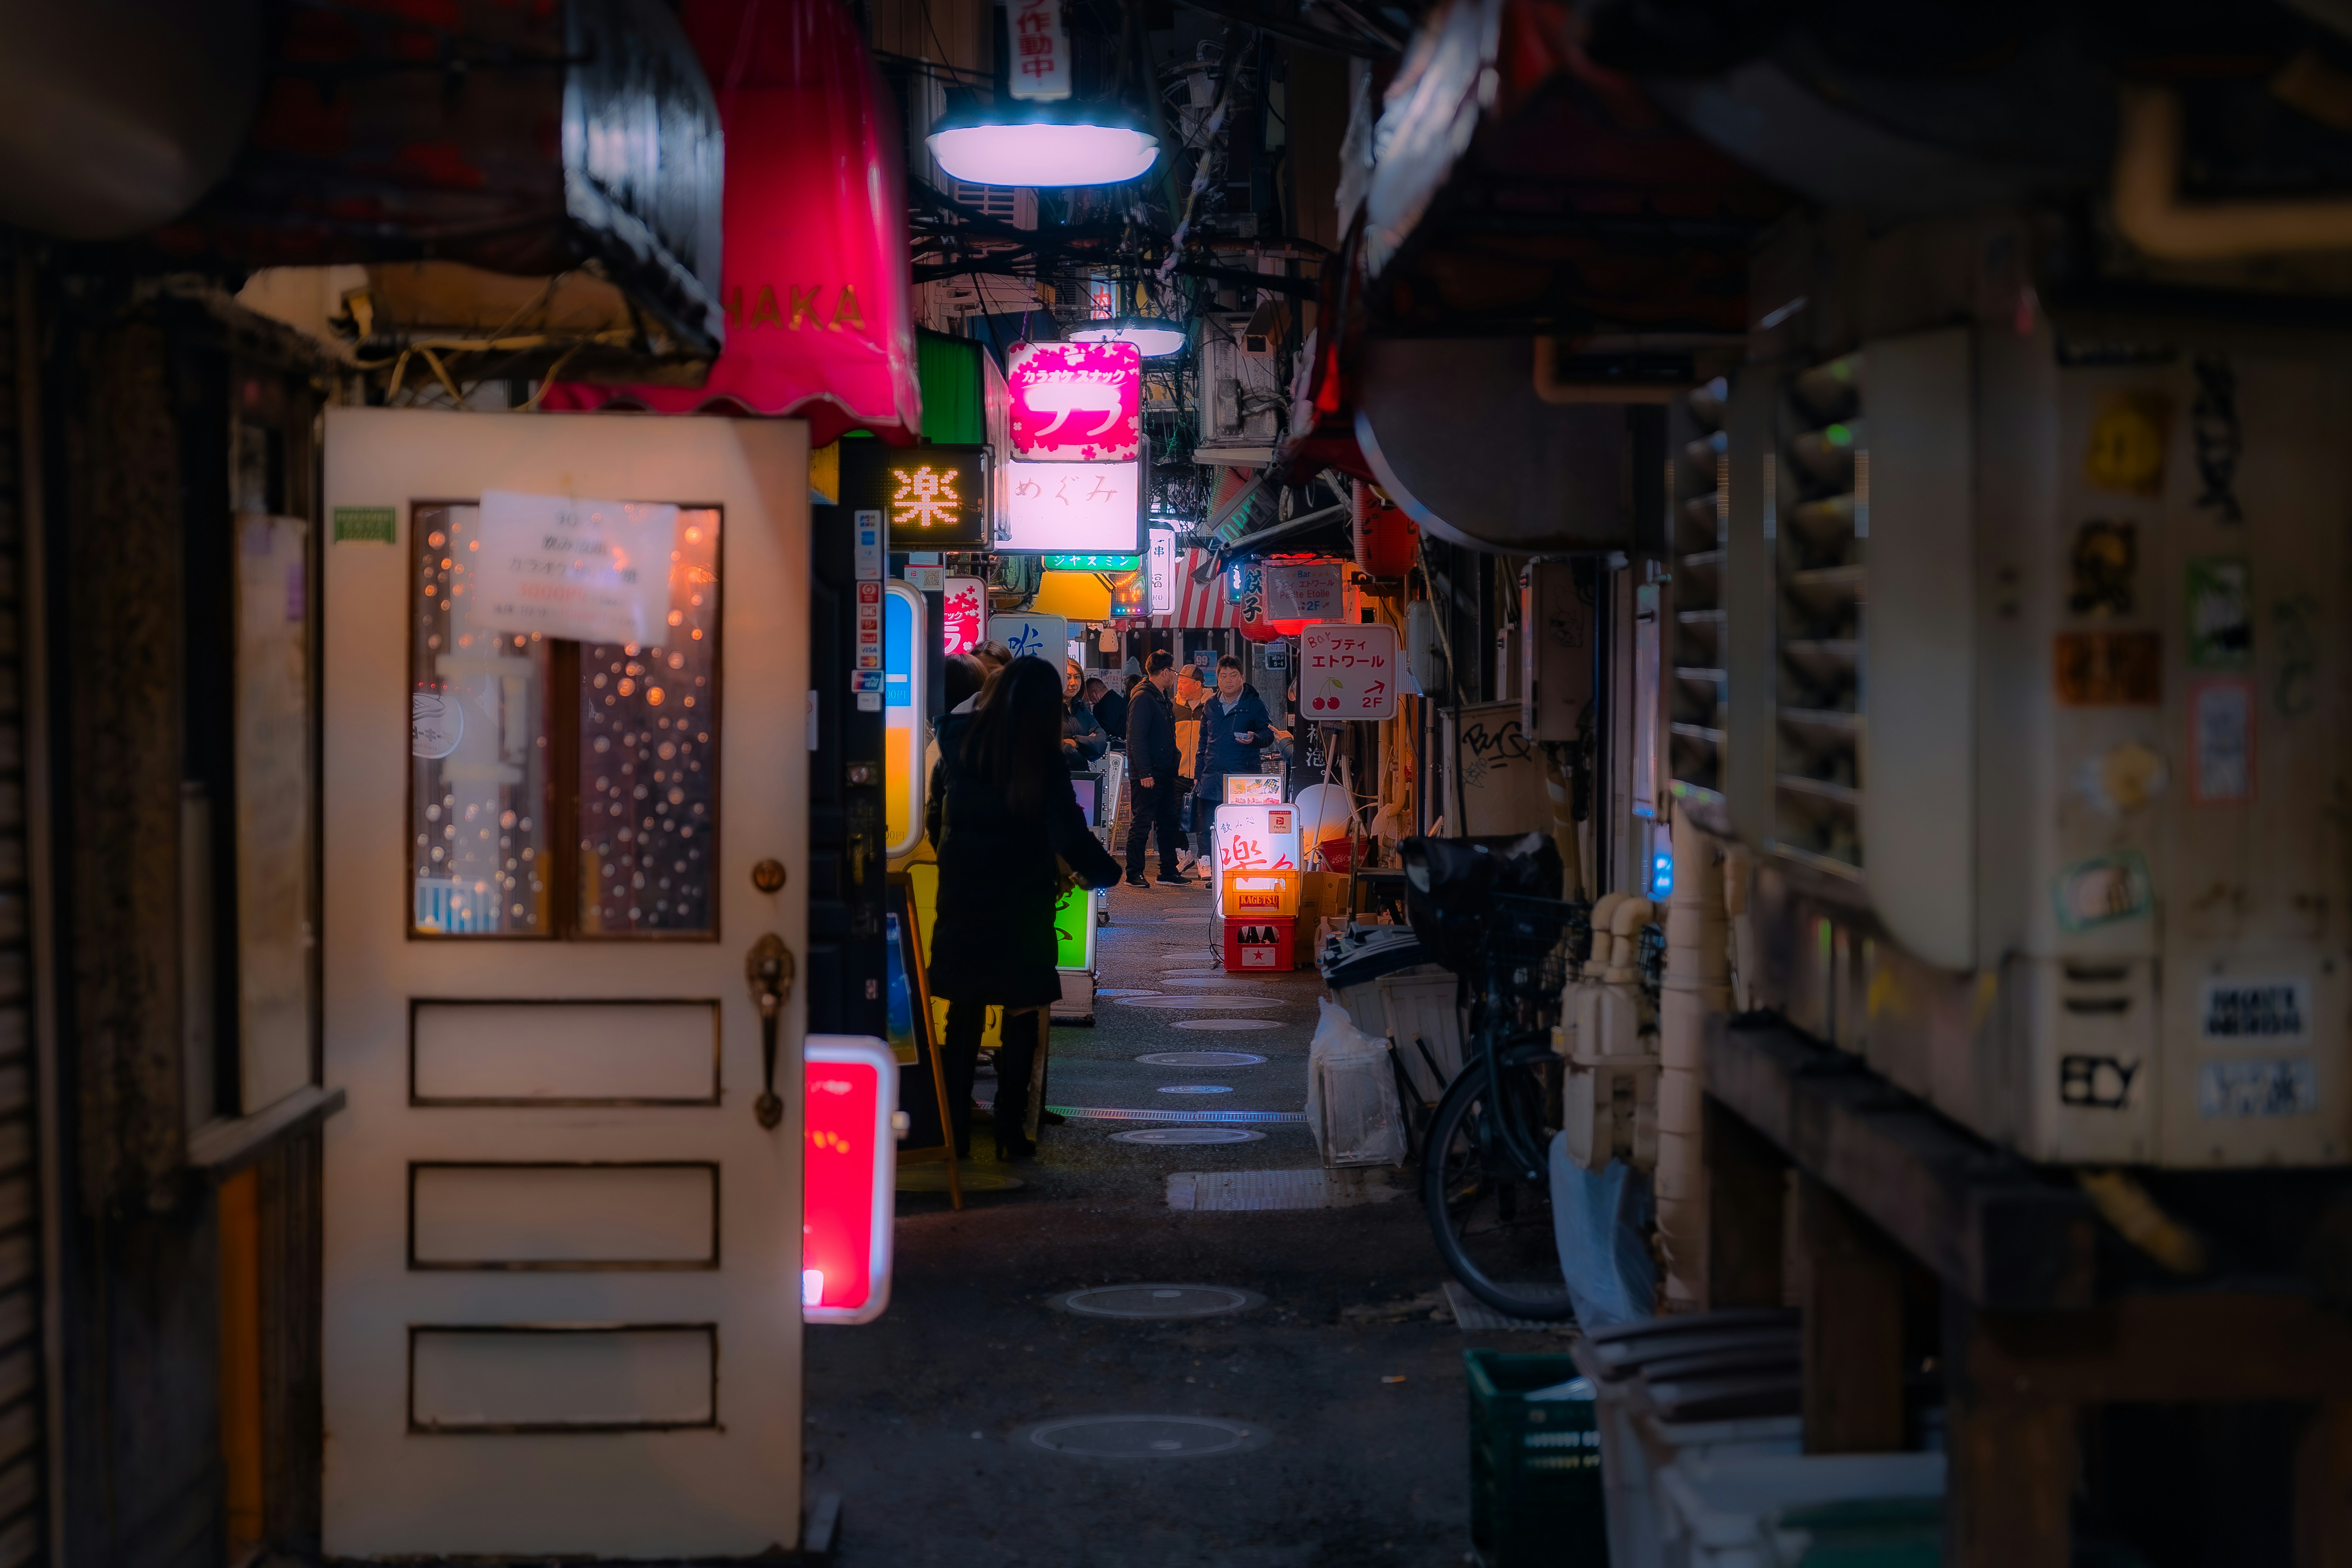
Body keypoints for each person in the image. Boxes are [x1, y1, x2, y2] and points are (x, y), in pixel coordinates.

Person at [927, 657, 1123, 1159]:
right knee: (1021, 1014)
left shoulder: (956, 739)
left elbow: (935, 816)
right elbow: (1068, 832)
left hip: (963, 898)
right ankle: (1010, 1131)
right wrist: (1106, 874)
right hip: (1021, 900)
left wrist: (956, 862)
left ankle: (954, 1133)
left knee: (963, 1016)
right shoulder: (1040, 755)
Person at [1193, 654, 1278, 863]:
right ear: (1218, 679)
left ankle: (1238, 866)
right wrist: (1198, 775)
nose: (1228, 680)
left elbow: (1269, 734)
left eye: (1233, 676)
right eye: (1224, 676)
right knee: (1209, 825)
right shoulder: (1211, 705)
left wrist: (1254, 739)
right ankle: (1211, 867)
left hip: (1244, 778)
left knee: (1241, 826)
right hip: (1212, 775)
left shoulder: (1255, 704)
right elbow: (1203, 742)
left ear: (1242, 678)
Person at [1123, 650, 1190, 887]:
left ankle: (1168, 871)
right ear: (1165, 673)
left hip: (1164, 772)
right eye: (1173, 672)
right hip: (1149, 774)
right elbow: (1136, 739)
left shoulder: (1159, 697)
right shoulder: (1143, 697)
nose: (1174, 676)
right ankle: (1134, 873)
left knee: (1168, 822)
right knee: (1143, 822)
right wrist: (1144, 773)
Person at [1171, 662, 1207, 868]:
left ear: (1198, 685)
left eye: (1184, 683)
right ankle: (1184, 854)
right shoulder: (1173, 707)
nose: (1179, 686)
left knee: (1203, 820)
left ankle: (1205, 860)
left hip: (1202, 774)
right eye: (1179, 682)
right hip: (1178, 773)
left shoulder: (1211, 707)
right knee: (1174, 816)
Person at [1063, 659, 1107, 769]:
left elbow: (1102, 740)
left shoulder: (1082, 709)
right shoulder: (1046, 710)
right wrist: (1087, 745)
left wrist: (1076, 743)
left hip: (1082, 779)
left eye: (1077, 677)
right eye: (1068, 677)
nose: (1073, 683)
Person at [1092, 671, 1131, 740]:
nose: (1089, 700)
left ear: (1095, 692)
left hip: (1116, 744)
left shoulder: (1108, 703)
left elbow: (1107, 729)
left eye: (1089, 695)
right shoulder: (1115, 698)